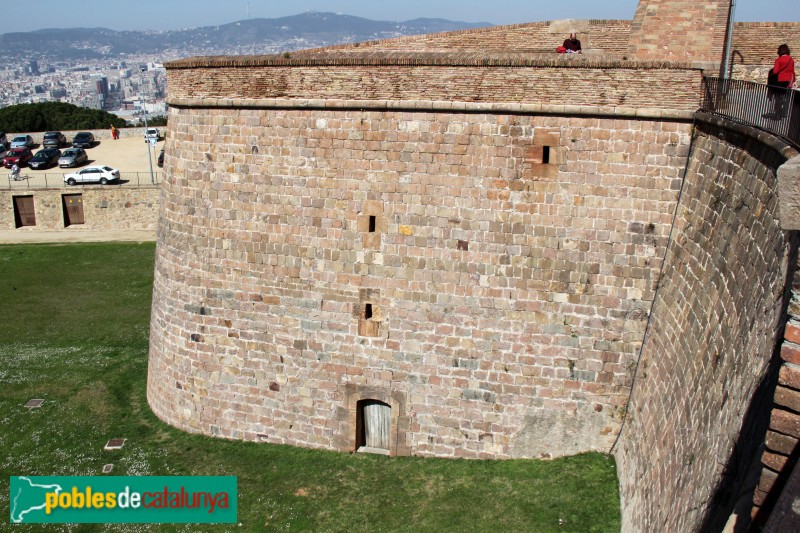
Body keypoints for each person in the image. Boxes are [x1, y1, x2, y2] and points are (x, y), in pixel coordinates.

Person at [768, 44, 795, 118]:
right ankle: (784, 114)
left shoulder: (778, 60)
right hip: (788, 81)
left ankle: (778, 114)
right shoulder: (791, 59)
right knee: (786, 97)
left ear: (779, 51)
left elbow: (775, 71)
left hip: (779, 81)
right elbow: (792, 71)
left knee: (777, 97)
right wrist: (793, 80)